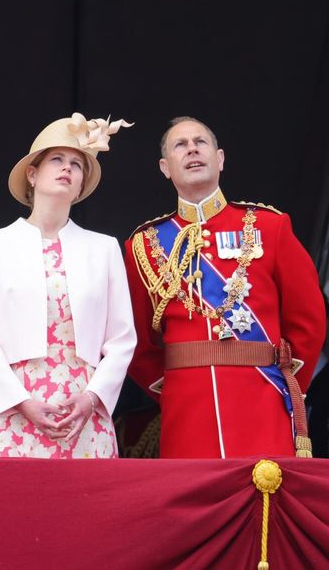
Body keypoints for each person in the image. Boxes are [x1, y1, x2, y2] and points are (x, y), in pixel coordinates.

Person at [125, 116, 326, 458]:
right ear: (165, 168)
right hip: (186, 409)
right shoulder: (143, 245)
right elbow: (136, 342)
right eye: (180, 145)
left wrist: (283, 385)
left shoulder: (269, 226)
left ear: (219, 159)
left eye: (200, 142)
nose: (192, 149)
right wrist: (177, 387)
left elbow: (308, 322)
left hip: (263, 400)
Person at [0, 113, 136, 458]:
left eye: (76, 164)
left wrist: (91, 398)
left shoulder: (103, 248)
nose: (67, 168)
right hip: (14, 405)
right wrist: (21, 402)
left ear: (81, 183)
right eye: (57, 159)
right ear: (33, 173)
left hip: (82, 409)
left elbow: (122, 338)